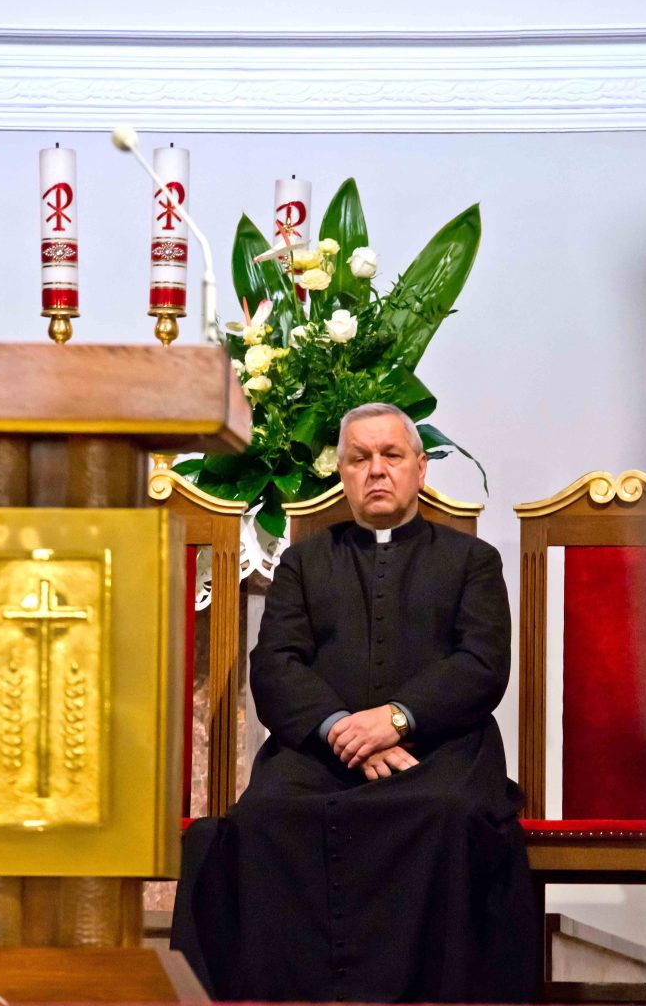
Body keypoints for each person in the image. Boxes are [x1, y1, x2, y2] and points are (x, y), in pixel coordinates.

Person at [171, 402, 536, 1003]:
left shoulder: (472, 560)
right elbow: (276, 663)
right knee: (263, 816)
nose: (376, 470)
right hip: (321, 752)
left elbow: (482, 662)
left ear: (420, 467)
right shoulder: (303, 562)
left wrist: (396, 720)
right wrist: (341, 729)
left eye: (391, 455)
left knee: (447, 813)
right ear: (341, 473)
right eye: (359, 458)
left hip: (436, 750)